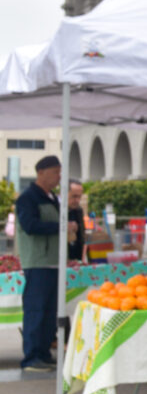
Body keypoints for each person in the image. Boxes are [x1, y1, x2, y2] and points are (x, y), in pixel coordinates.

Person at [16, 155, 74, 372]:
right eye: (55, 172)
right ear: (41, 172)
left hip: (55, 262)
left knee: (50, 311)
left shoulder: (53, 198)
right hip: (38, 262)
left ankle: (43, 353)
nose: (59, 177)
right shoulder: (28, 198)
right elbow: (30, 225)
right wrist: (60, 226)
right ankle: (31, 357)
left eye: (60, 172)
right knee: (36, 310)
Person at [67, 179, 87, 263]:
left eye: (79, 197)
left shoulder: (78, 210)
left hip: (76, 259)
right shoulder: (56, 210)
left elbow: (81, 235)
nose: (77, 200)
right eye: (74, 196)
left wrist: (82, 257)